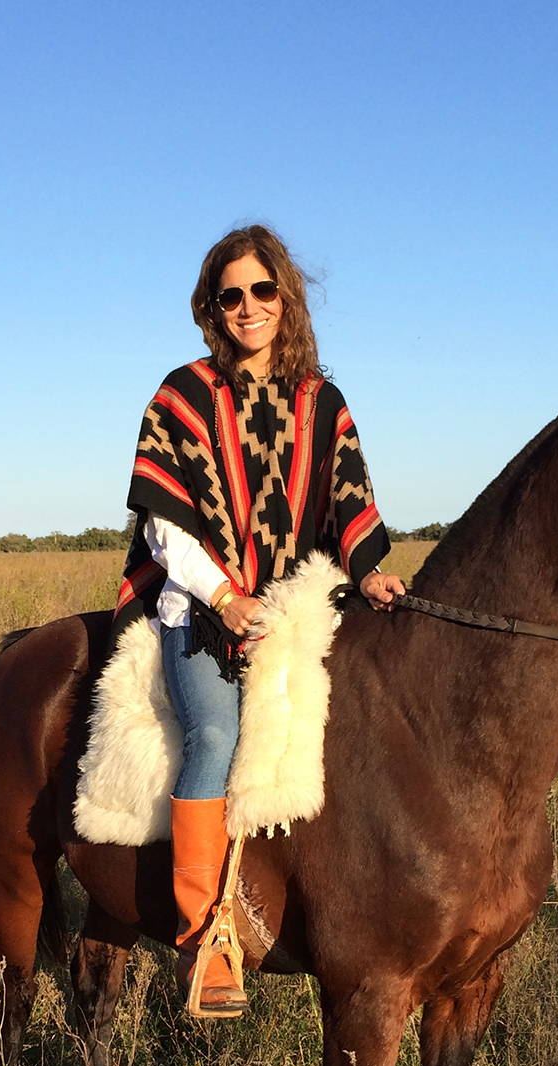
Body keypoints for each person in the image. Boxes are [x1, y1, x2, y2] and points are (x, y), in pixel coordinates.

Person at [113, 224, 405, 1017]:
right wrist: (224, 598)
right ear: (213, 307)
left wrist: (371, 570)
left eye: (262, 291)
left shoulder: (321, 400)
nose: (248, 307)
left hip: (294, 609)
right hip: (202, 610)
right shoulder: (181, 394)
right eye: (230, 295)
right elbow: (164, 527)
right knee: (213, 734)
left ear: (287, 297)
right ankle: (204, 937)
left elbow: (348, 500)